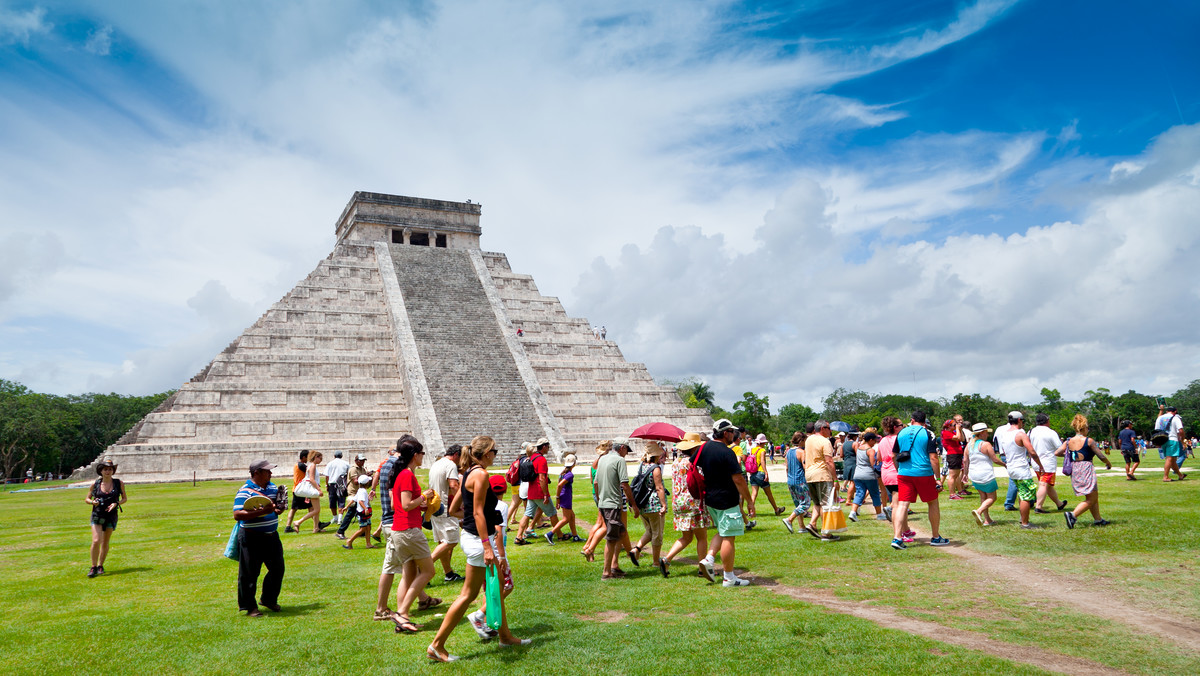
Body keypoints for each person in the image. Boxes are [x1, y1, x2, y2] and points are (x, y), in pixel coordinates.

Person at [428, 436, 529, 662]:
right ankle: (436, 645)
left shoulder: (467, 474)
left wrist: (473, 527)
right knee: (468, 595)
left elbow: (455, 509)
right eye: (495, 450)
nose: (496, 454)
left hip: (475, 537)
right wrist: (487, 546)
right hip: (479, 541)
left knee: (498, 586)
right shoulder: (481, 474)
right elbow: (476, 513)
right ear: (486, 454)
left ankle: (505, 637)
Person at [697, 419, 754, 587]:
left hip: (710, 499)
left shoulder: (704, 448)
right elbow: (738, 479)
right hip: (726, 499)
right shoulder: (727, 452)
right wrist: (749, 501)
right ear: (724, 433)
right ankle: (729, 577)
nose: (734, 434)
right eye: (731, 431)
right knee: (729, 536)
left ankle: (709, 558)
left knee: (723, 531)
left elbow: (692, 463)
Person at [233, 460, 286, 616]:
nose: (271, 473)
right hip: (251, 537)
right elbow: (237, 514)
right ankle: (249, 607)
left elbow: (274, 509)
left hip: (271, 536)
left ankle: (268, 599)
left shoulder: (272, 487)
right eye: (267, 471)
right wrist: (263, 511)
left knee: (277, 569)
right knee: (249, 573)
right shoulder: (245, 491)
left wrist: (278, 509)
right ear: (257, 472)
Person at [891, 410, 950, 549]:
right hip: (923, 472)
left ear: (912, 420)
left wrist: (898, 469)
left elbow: (894, 455)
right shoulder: (928, 433)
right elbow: (933, 457)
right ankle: (935, 537)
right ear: (924, 421)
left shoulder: (901, 433)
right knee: (932, 503)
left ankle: (897, 537)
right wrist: (937, 478)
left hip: (904, 473)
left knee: (903, 505)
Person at [663, 433, 711, 573]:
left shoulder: (676, 462)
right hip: (693, 502)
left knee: (686, 537)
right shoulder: (693, 463)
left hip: (679, 502)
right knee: (702, 537)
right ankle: (703, 569)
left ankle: (667, 559)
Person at [594, 439, 641, 579]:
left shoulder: (602, 459)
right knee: (611, 538)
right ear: (621, 448)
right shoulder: (619, 461)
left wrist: (599, 499)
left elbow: (595, 482)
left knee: (620, 533)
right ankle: (606, 572)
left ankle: (614, 566)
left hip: (604, 503)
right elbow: (625, 485)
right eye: (626, 450)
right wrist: (633, 504)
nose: (626, 453)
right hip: (613, 504)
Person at [1058, 414, 1113, 528]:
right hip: (1086, 469)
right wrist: (1108, 463)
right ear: (1084, 428)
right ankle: (1073, 515)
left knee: (1092, 495)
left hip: (1075, 469)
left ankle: (1098, 520)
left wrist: (1071, 455)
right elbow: (1101, 455)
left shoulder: (1069, 441)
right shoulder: (1089, 441)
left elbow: (1057, 452)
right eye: (1088, 428)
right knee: (1091, 497)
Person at [996, 411, 1046, 528]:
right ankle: (1025, 523)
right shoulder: (1020, 434)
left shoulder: (1005, 434)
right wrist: (1040, 465)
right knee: (1026, 495)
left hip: (1011, 467)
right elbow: (1032, 452)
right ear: (1019, 420)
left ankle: (1023, 518)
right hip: (1021, 468)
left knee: (1022, 493)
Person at [631, 442, 669, 577]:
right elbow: (659, 488)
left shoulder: (642, 466)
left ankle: (636, 549)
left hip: (642, 503)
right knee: (657, 533)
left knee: (649, 530)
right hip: (653, 504)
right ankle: (655, 562)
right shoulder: (656, 468)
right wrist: (664, 505)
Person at [429, 444, 465, 583]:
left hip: (435, 507)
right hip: (445, 508)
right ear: (456, 455)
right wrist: (461, 504)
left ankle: (448, 573)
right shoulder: (450, 465)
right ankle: (423, 567)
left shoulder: (436, 464)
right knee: (451, 540)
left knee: (442, 541)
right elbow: (454, 485)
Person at [85, 459, 127, 577]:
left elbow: (124, 498)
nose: (107, 471)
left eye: (110, 469)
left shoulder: (119, 483)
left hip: (111, 515)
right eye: (105, 469)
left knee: (105, 542)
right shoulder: (96, 484)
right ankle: (93, 567)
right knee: (96, 540)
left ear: (113, 471)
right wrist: (93, 502)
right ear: (101, 471)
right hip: (97, 514)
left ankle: (100, 565)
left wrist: (116, 503)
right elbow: (87, 499)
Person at [802, 421, 838, 541]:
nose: (830, 431)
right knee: (826, 504)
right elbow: (829, 461)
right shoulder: (825, 441)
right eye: (829, 428)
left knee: (817, 503)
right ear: (822, 428)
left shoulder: (809, 440)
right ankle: (826, 533)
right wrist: (835, 479)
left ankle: (812, 524)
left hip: (809, 475)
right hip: (822, 475)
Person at [515, 438, 557, 545]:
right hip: (539, 492)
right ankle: (559, 535)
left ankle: (519, 536)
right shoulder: (541, 459)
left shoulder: (532, 457)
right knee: (553, 513)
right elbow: (542, 478)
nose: (548, 448)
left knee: (527, 514)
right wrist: (545, 494)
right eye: (548, 446)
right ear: (543, 447)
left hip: (531, 491)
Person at [963, 423, 1002, 526]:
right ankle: (979, 511)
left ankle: (987, 520)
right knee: (992, 498)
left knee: (983, 497)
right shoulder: (985, 444)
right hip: (986, 474)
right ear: (982, 433)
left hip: (974, 475)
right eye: (986, 432)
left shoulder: (969, 445)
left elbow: (966, 461)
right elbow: (995, 459)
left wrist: (965, 474)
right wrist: (1005, 465)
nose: (987, 435)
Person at [1029, 413, 1069, 513]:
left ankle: (1059, 504)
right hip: (1047, 463)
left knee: (1048, 485)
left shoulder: (1030, 432)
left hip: (1035, 462)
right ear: (1047, 421)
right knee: (1043, 484)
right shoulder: (1051, 433)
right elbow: (1059, 448)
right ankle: (1038, 506)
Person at [581, 440, 614, 561]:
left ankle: (587, 544)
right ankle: (590, 548)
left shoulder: (594, 462)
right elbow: (596, 481)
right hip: (602, 494)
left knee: (599, 522)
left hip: (596, 494)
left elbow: (591, 480)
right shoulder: (603, 462)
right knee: (605, 525)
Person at [781, 430, 812, 533]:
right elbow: (805, 467)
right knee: (805, 503)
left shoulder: (788, 452)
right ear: (801, 440)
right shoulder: (802, 452)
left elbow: (787, 467)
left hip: (791, 480)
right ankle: (789, 519)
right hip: (800, 480)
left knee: (798, 504)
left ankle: (802, 527)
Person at [746, 434, 784, 518]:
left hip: (753, 473)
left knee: (754, 494)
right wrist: (766, 472)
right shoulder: (762, 450)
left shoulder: (752, 450)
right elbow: (762, 461)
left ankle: (751, 511)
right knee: (769, 494)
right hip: (760, 473)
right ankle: (776, 509)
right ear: (762, 442)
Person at [547, 453, 582, 543]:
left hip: (563, 496)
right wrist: (558, 498)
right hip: (566, 497)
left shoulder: (562, 473)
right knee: (566, 518)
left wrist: (558, 499)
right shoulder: (569, 474)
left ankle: (575, 536)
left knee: (572, 516)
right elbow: (560, 485)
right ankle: (550, 533)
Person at [337, 453, 373, 540]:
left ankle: (362, 530)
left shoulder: (362, 469)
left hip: (359, 493)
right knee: (351, 513)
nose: (363, 462)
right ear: (356, 461)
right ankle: (340, 531)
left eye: (363, 460)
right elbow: (356, 481)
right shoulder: (353, 469)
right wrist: (366, 476)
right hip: (353, 493)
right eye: (361, 461)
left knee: (358, 513)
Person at [849, 432, 883, 522]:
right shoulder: (870, 450)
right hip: (869, 475)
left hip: (857, 474)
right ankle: (879, 514)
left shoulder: (859, 448)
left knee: (860, 493)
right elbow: (873, 464)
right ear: (870, 440)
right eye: (875, 440)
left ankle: (852, 512)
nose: (875, 442)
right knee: (875, 494)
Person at [293, 451, 329, 533]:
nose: (321, 460)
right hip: (312, 488)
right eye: (320, 458)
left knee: (316, 510)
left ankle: (316, 528)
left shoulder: (311, 466)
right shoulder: (312, 466)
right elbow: (312, 479)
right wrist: (319, 489)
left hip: (312, 488)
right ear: (315, 457)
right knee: (316, 510)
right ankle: (298, 522)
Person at [878, 417, 901, 523]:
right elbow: (895, 456)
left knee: (894, 496)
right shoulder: (898, 439)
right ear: (895, 427)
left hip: (885, 473)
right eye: (901, 426)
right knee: (899, 500)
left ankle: (891, 510)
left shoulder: (882, 440)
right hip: (895, 472)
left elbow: (878, 457)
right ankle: (890, 509)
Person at [1154, 405, 1187, 482]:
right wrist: (1182, 441)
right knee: (1169, 459)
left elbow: (1156, 429)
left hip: (1163, 440)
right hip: (1172, 439)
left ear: (1167, 411)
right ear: (1175, 411)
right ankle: (1165, 477)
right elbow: (1181, 430)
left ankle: (1180, 475)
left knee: (1172, 460)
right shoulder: (1176, 418)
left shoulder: (1160, 418)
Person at [343, 474, 376, 549]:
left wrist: (346, 507)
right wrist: (366, 508)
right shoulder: (363, 491)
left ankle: (368, 543)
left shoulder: (360, 490)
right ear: (367, 483)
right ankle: (350, 541)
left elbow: (354, 499)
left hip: (364, 512)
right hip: (363, 513)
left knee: (368, 527)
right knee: (363, 529)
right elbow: (360, 501)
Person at [283, 450, 309, 533]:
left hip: (297, 489)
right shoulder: (301, 465)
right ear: (304, 457)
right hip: (301, 490)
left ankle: (287, 527)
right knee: (312, 508)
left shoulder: (297, 465)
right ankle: (317, 524)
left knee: (294, 509)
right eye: (307, 457)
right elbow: (310, 472)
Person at [942, 417, 968, 499]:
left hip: (957, 454)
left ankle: (954, 493)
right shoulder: (946, 433)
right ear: (949, 426)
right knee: (952, 475)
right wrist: (957, 429)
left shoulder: (953, 432)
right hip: (953, 455)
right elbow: (957, 438)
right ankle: (952, 494)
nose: (955, 426)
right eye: (954, 425)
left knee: (956, 475)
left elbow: (962, 439)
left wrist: (959, 430)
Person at [325, 450, 351, 526]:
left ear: (334, 456)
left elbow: (327, 476)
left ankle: (335, 517)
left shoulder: (330, 464)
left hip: (332, 484)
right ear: (341, 456)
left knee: (332, 501)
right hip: (342, 484)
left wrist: (327, 485)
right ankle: (339, 519)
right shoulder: (346, 463)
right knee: (341, 501)